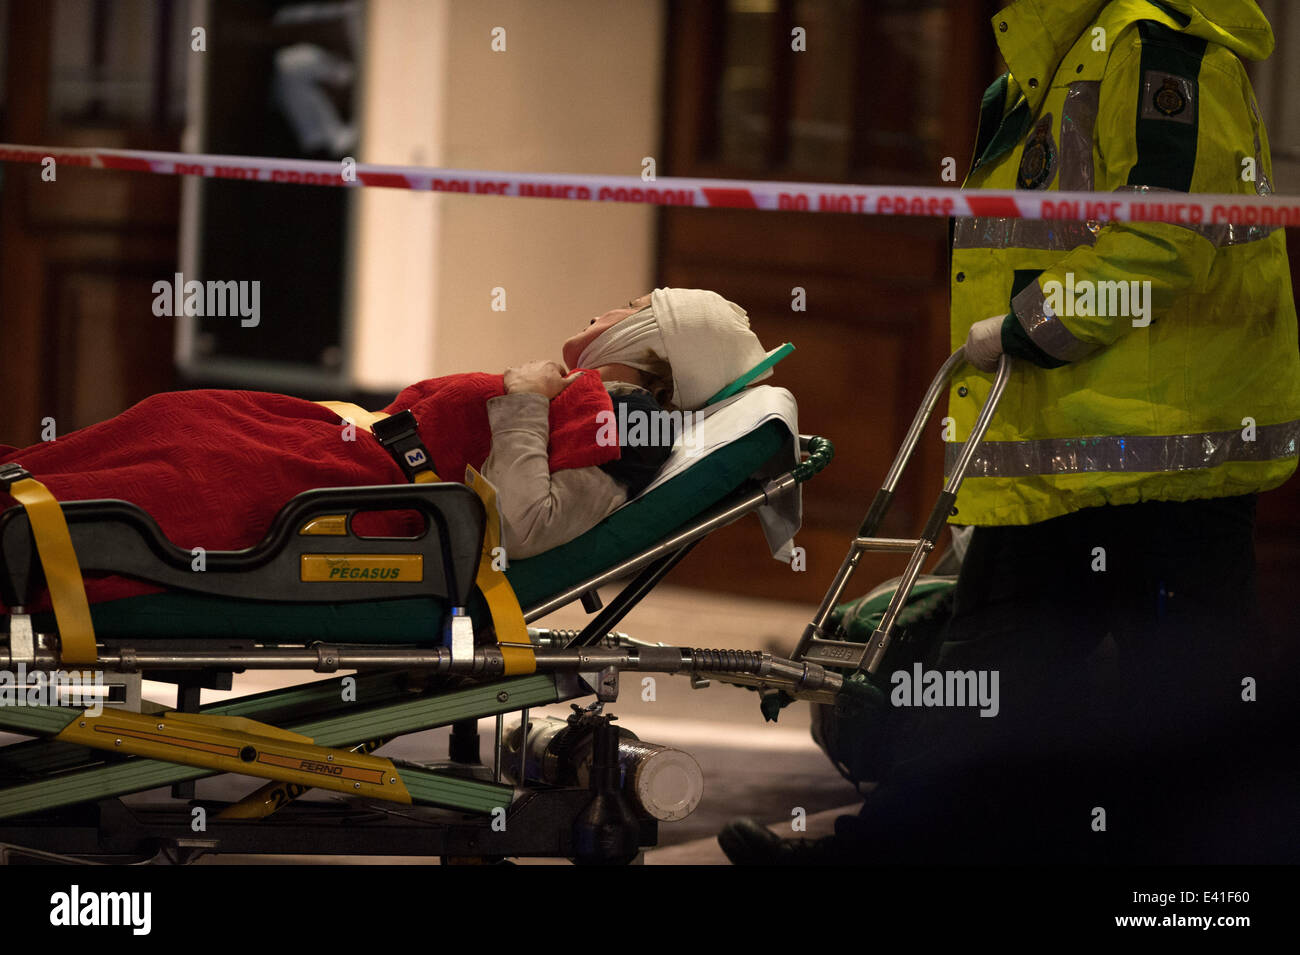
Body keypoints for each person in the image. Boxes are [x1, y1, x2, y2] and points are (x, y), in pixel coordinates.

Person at [721, 0, 1300, 864]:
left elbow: (1164, 239)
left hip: (1153, 453)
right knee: (1001, 683)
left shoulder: (1152, 51)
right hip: (1079, 445)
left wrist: (1030, 326)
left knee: (1172, 703)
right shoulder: (1058, 62)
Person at [0, 287, 773, 609]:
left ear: (653, 346)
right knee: (180, 421)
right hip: (340, 450)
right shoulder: (594, 402)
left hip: (355, 493)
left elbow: (524, 526)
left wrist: (523, 406)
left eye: (634, 306)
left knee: (186, 459)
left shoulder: (622, 426)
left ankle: (19, 528)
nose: (610, 306)